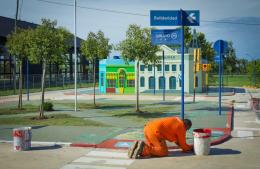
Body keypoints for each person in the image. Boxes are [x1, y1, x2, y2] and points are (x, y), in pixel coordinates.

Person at [128, 117, 193, 159]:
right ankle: (143, 149)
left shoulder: (176, 120)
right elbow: (183, 145)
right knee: (163, 152)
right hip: (155, 133)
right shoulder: (181, 127)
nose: (186, 131)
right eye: (187, 129)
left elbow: (178, 142)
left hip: (148, 129)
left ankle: (137, 148)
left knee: (154, 149)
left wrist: (184, 146)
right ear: (186, 126)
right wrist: (191, 147)